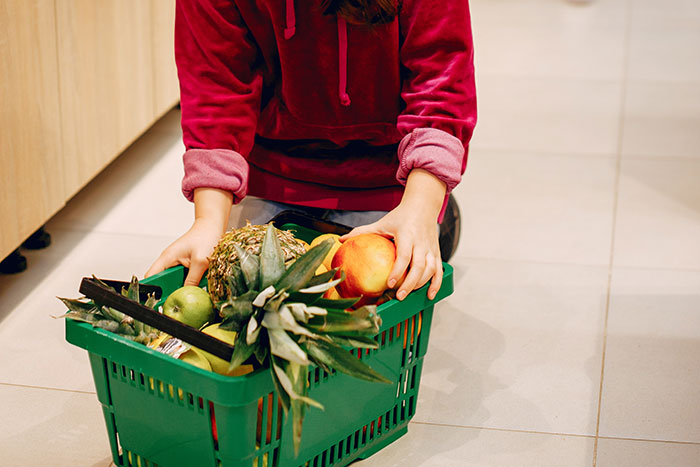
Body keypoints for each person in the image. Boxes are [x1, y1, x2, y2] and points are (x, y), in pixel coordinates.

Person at [146, 0, 477, 302]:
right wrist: (207, 221)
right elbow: (217, 88)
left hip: (386, 174)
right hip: (273, 171)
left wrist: (420, 210)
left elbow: (441, 82)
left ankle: (439, 211)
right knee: (248, 299)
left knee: (389, 285)